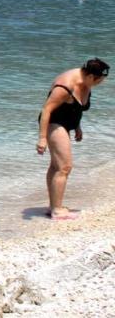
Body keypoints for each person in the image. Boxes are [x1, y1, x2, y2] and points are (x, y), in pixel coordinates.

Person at [37, 58, 109, 219]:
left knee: (56, 165)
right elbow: (46, 110)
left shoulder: (86, 81)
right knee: (65, 166)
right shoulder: (66, 85)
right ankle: (57, 210)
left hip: (66, 123)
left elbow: (75, 108)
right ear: (90, 76)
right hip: (53, 122)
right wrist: (42, 138)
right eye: (99, 81)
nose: (100, 84)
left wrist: (77, 126)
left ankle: (53, 206)